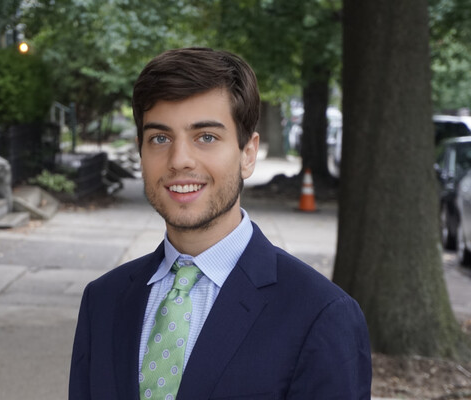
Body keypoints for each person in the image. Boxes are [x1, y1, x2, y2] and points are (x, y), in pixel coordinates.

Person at [69, 47, 372, 400]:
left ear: (248, 154)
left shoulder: (320, 314)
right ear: (141, 152)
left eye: (206, 137)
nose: (179, 160)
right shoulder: (102, 301)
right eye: (160, 138)